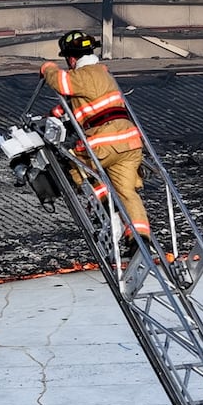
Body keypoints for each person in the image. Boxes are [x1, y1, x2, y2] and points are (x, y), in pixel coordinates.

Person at [39, 30, 151, 246]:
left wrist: (47, 68)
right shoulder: (102, 76)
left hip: (103, 142)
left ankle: (111, 213)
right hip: (129, 144)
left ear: (71, 58)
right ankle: (139, 239)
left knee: (77, 168)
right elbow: (77, 106)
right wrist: (52, 115)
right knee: (127, 192)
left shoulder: (85, 75)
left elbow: (61, 82)